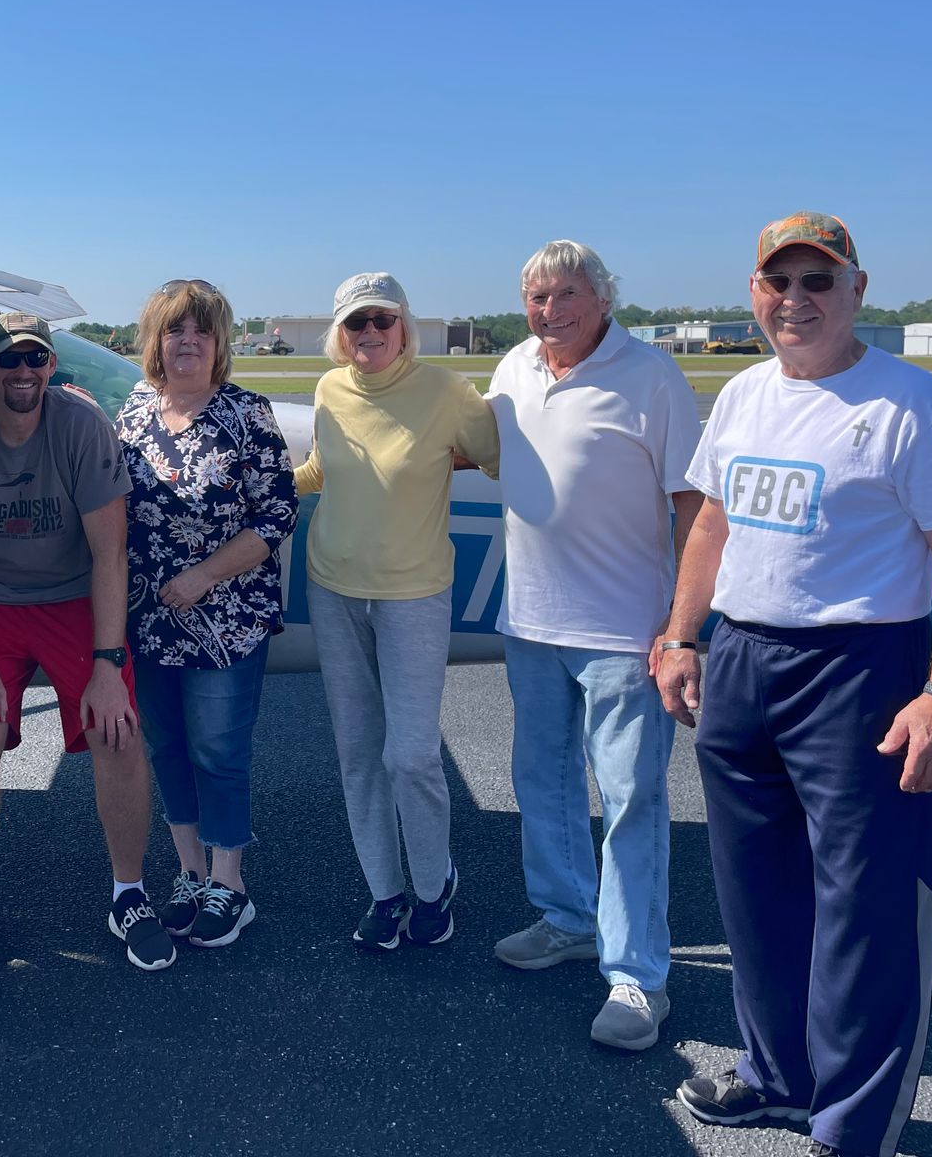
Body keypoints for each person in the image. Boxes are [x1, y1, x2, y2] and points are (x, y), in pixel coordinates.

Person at [657, 214, 932, 1157]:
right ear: (753, 293)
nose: (796, 299)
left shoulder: (910, 403)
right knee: (756, 894)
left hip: (862, 670)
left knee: (869, 908)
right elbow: (713, 527)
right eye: (779, 282)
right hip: (745, 662)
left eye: (818, 280)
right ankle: (776, 1076)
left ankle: (855, 1125)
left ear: (857, 290)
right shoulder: (743, 396)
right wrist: (684, 636)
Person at [485, 241, 701, 1051]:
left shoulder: (652, 377)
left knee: (629, 800)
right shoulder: (513, 368)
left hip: (623, 632)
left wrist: (682, 629)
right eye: (536, 297)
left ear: (602, 297)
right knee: (541, 784)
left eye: (566, 293)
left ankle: (640, 977)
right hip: (531, 623)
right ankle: (568, 918)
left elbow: (693, 508)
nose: (550, 310)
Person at [0, 311, 177, 974]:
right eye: (9, 361)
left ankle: (129, 894)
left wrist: (107, 663)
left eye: (35, 360)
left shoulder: (82, 428)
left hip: (74, 594)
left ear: (51, 367)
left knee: (116, 729)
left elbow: (110, 553)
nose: (23, 372)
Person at [293, 273, 499, 952]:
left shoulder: (446, 393)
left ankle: (435, 884)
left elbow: (507, 460)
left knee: (410, 755)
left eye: (383, 319)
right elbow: (325, 466)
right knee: (357, 754)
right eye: (357, 323)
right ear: (340, 333)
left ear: (404, 325)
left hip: (414, 594)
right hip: (332, 587)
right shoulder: (329, 390)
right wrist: (257, 481)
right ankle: (385, 892)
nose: (370, 333)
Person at [116, 280, 297, 947]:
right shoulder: (132, 412)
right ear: (155, 341)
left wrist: (202, 576)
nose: (187, 341)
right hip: (149, 617)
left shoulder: (248, 413)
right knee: (166, 748)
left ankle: (231, 883)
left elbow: (277, 513)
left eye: (201, 331)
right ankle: (189, 872)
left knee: (219, 750)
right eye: (174, 330)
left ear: (219, 343)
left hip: (228, 617)